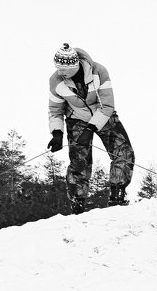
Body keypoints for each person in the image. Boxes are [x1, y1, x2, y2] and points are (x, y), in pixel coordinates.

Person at [47, 43, 135, 213]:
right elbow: (55, 110)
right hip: (76, 118)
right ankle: (78, 203)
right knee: (79, 162)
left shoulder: (98, 72)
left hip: (103, 114)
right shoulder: (56, 81)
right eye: (57, 67)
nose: (60, 71)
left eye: (63, 68)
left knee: (124, 152)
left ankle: (117, 196)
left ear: (74, 65)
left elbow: (107, 106)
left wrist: (90, 129)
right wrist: (57, 133)